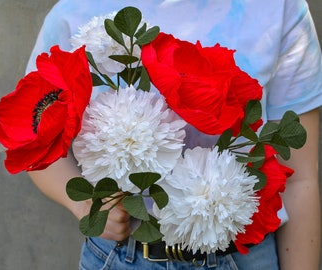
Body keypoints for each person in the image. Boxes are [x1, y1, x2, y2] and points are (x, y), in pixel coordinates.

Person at [26, 0, 322, 269]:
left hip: (244, 256)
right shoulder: (74, 12)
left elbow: (300, 179)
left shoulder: (278, 8)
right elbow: (31, 144)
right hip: (119, 256)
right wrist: (85, 206)